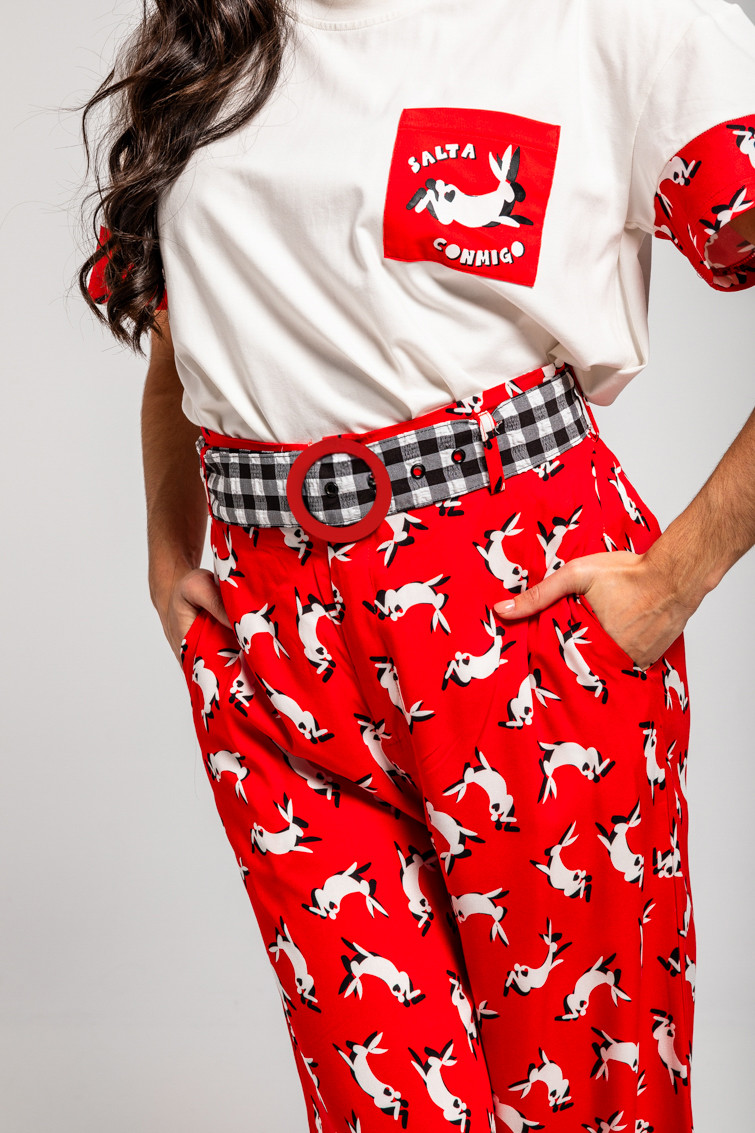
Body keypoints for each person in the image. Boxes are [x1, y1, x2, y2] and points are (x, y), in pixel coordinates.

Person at [78, 0, 755, 1128]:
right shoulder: (217, 38)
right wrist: (168, 552)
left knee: (581, 1099)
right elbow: (177, 338)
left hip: (520, 611)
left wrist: (674, 577)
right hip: (274, 643)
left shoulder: (615, 18)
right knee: (378, 1101)